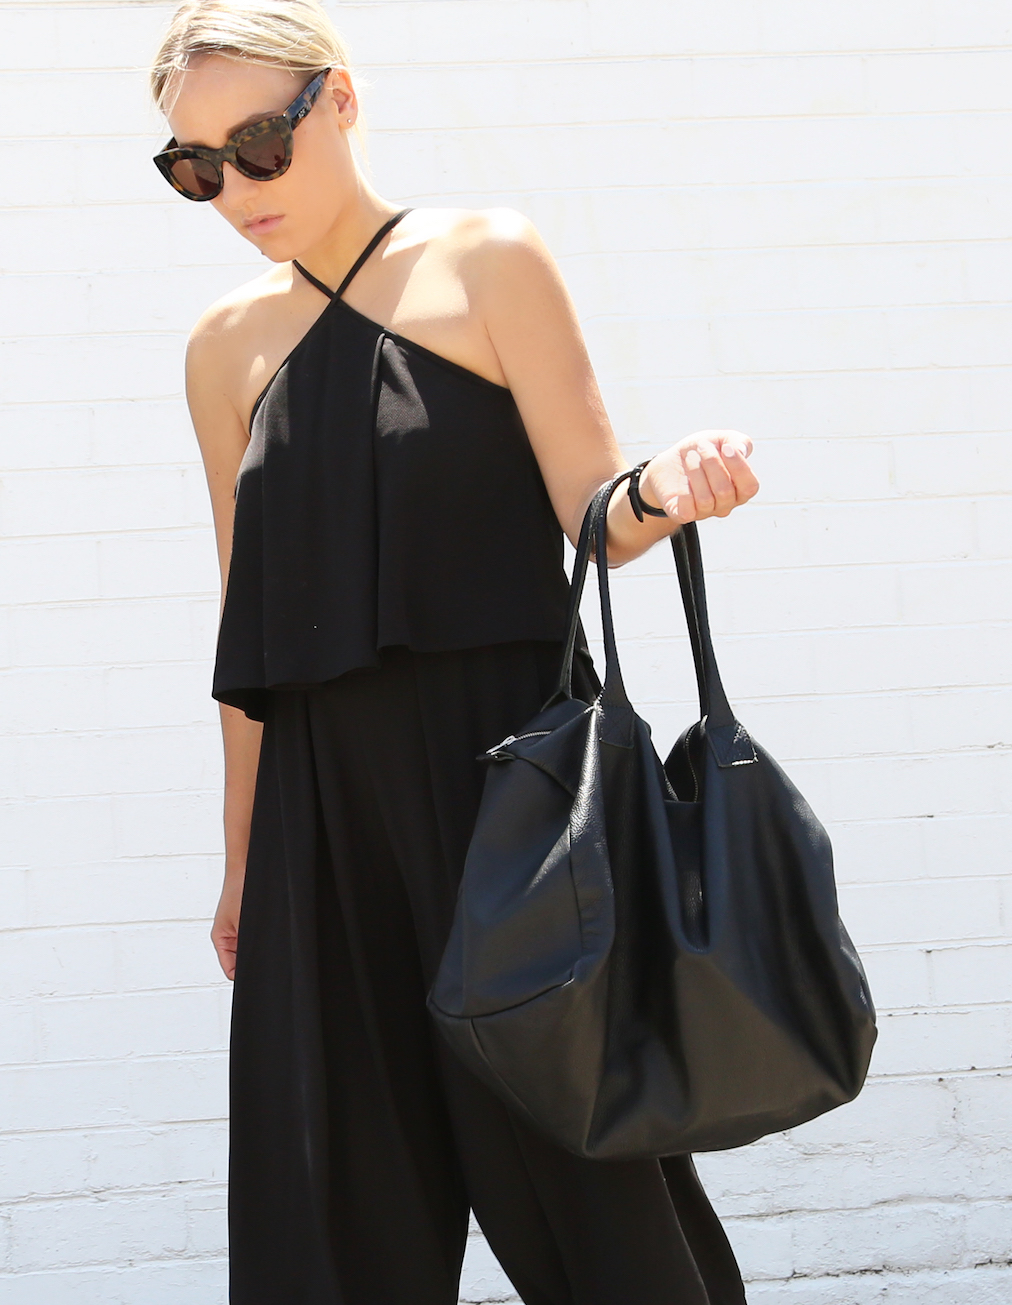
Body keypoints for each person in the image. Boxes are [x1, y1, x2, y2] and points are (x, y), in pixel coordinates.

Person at [148, 2, 757, 1301]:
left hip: (512, 793)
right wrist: (243, 860)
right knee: (332, 1202)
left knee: (585, 1176)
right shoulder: (224, 349)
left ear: (340, 99)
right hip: (322, 816)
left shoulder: (484, 259)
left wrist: (668, 489)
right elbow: (246, 636)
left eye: (258, 145)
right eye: (196, 168)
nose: (235, 190)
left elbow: (595, 510)